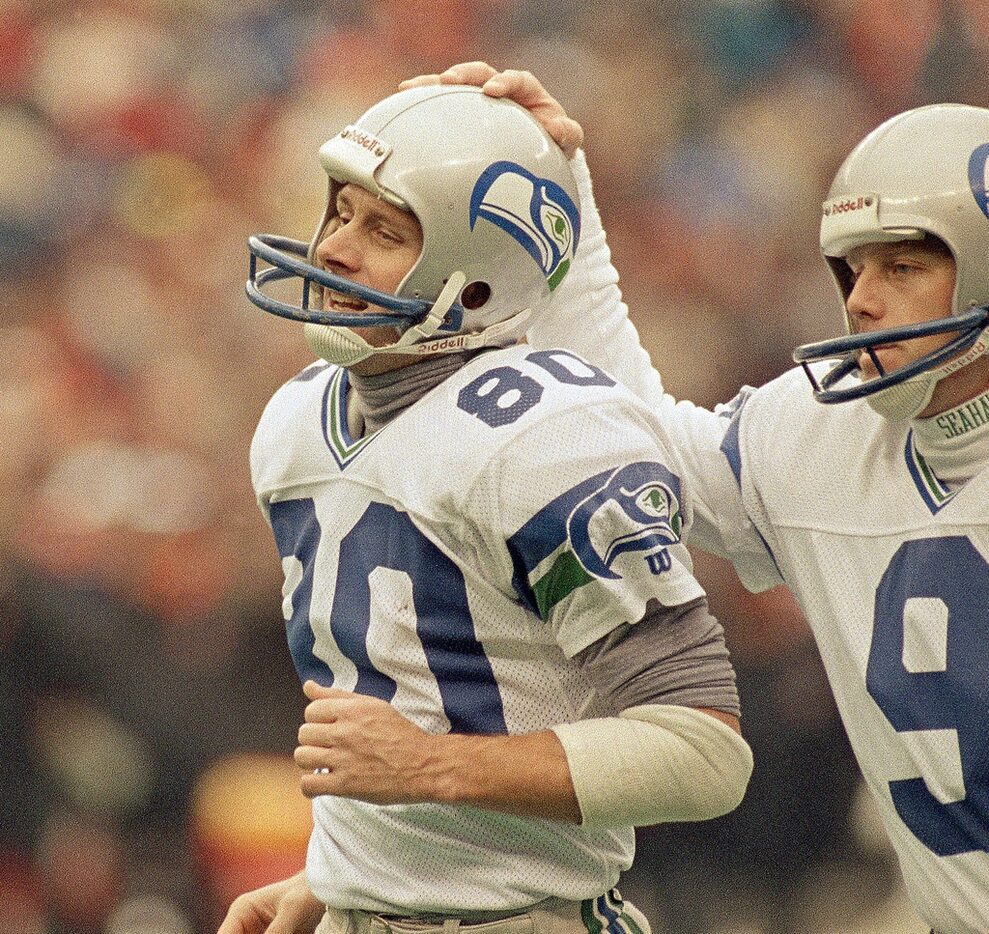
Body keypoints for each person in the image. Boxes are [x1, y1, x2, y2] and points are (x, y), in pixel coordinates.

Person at [412, 63, 989, 934]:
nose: (863, 301)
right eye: (851, 269)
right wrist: (558, 215)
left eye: (903, 265)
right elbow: (624, 445)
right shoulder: (820, 437)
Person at [220, 83, 754, 934]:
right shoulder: (298, 418)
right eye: (342, 213)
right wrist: (337, 881)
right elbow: (393, 703)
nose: (337, 250)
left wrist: (432, 769)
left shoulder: (547, 438)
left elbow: (702, 752)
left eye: (386, 231)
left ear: (476, 281)